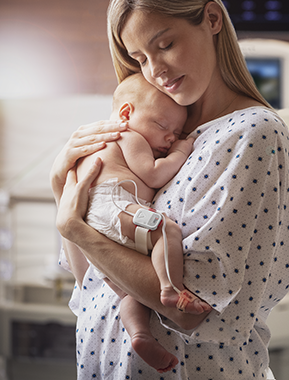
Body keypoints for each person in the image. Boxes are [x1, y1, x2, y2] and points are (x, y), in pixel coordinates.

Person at [51, 0, 289, 378]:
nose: (155, 71)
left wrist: (76, 228)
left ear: (211, 19)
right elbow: (91, 287)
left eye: (165, 45)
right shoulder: (154, 142)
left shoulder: (250, 134)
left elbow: (190, 313)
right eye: (139, 59)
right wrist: (61, 188)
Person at [75, 72, 211, 373]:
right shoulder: (126, 135)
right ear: (126, 113)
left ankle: (140, 335)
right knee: (166, 229)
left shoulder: (102, 141)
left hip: (102, 218)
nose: (169, 137)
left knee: (129, 289)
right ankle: (170, 290)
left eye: (176, 132)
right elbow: (153, 174)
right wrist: (181, 150)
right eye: (162, 125)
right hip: (112, 204)